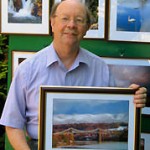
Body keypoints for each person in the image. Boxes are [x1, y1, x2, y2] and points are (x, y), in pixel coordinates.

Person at [0, 0, 147, 149]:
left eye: (79, 20)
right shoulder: (27, 70)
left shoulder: (101, 69)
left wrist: (134, 98)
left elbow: (118, 110)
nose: (71, 25)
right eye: (65, 18)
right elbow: (12, 125)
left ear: (87, 28)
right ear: (52, 23)